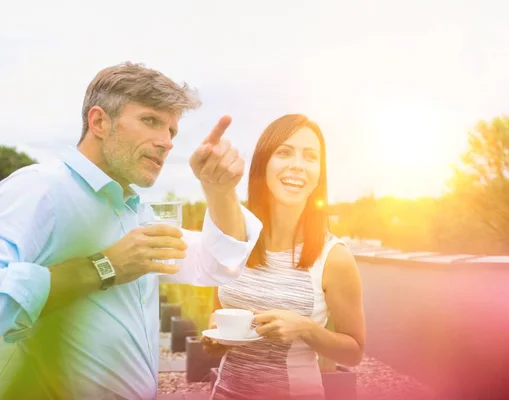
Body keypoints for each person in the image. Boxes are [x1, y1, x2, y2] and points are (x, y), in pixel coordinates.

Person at [0, 62, 262, 399]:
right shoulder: (41, 188)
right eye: (151, 121)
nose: (167, 143)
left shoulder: (137, 211)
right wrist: (103, 267)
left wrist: (219, 191)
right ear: (99, 122)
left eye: (172, 132)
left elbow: (216, 264)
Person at [201, 114, 366, 400]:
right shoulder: (235, 239)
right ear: (264, 163)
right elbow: (218, 315)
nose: (298, 165)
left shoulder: (334, 257)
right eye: (285, 152)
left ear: (319, 175)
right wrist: (216, 339)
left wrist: (306, 328)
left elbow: (353, 353)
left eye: (310, 157)